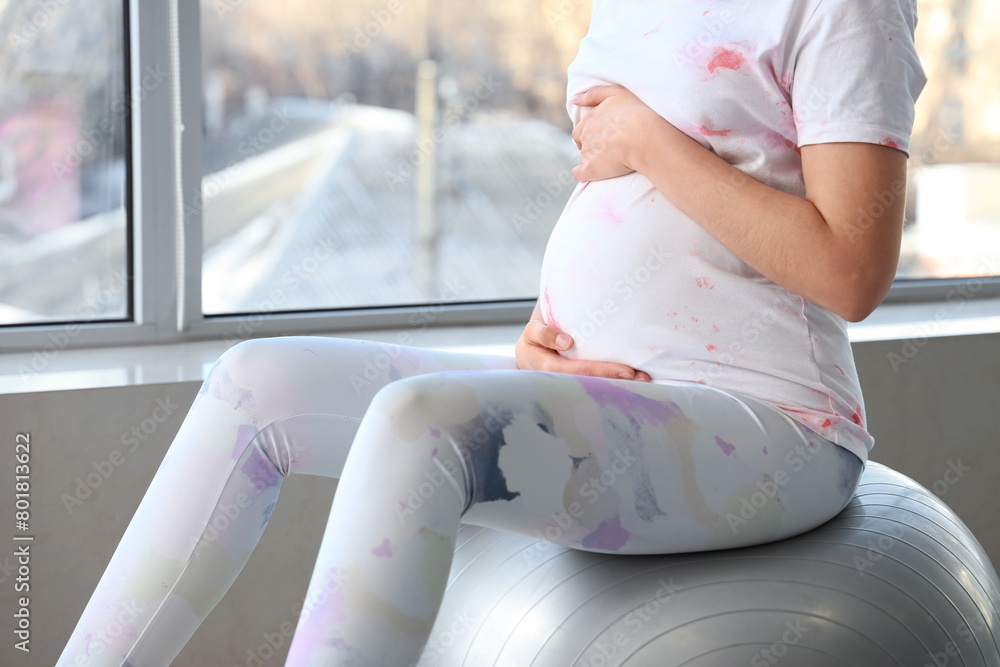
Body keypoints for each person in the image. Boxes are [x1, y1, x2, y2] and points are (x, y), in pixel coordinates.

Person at [57, 0, 926, 664]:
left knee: (418, 421)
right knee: (254, 383)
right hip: (607, 393)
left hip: (769, 419)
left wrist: (649, 141)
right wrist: (557, 327)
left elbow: (853, 270)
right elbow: (630, 201)